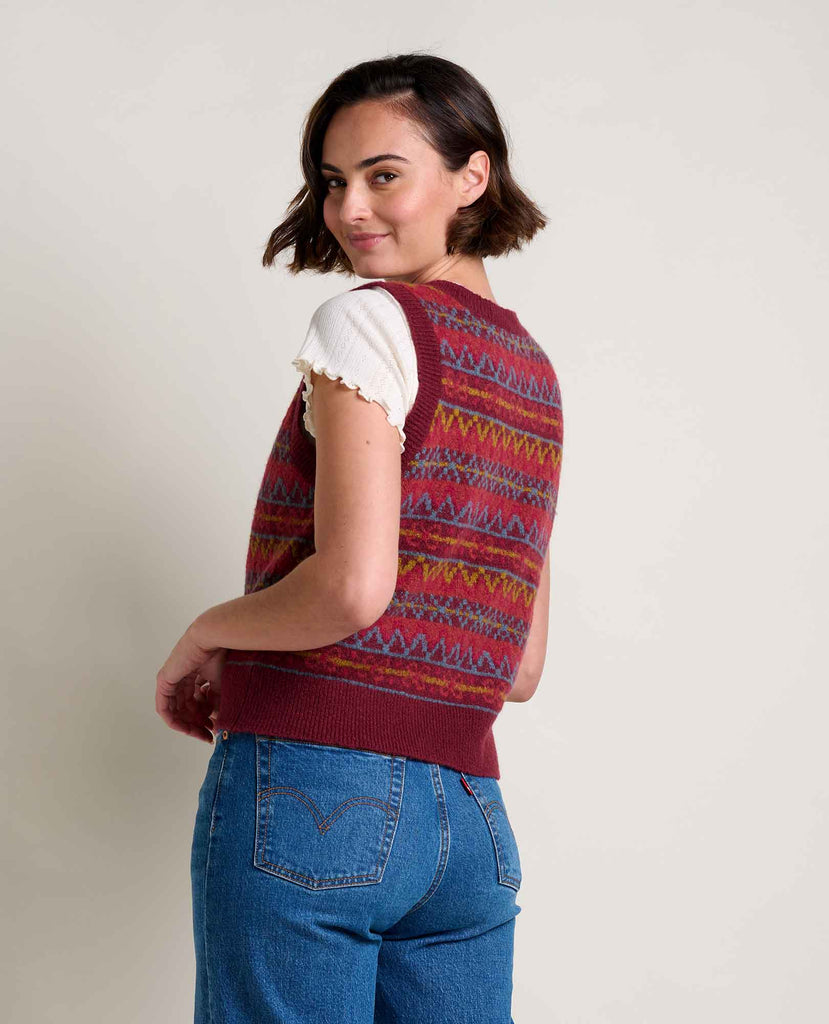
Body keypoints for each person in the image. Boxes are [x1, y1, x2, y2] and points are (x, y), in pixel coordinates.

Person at [156, 51, 563, 1024]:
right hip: (468, 821)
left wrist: (206, 631)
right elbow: (519, 665)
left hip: (315, 786)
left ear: (472, 175)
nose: (350, 209)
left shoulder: (369, 322)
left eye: (384, 175)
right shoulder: (532, 372)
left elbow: (349, 587)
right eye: (333, 181)